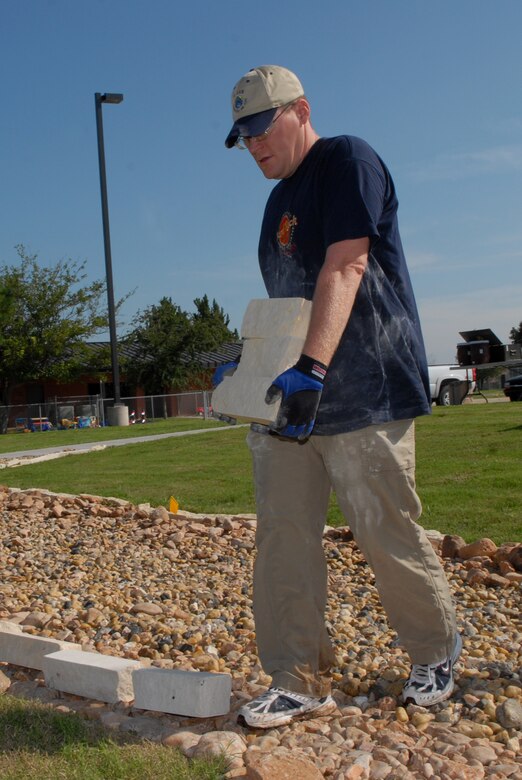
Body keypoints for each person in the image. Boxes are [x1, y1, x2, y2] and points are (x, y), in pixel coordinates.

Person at [222, 65, 461, 729]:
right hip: (291, 403)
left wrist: (313, 371)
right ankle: (296, 677)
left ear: (299, 109)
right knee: (283, 537)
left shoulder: (348, 160)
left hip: (364, 390)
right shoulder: (276, 205)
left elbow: (347, 265)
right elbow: (286, 306)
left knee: (386, 528)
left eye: (261, 128)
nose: (253, 146)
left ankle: (435, 651)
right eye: (242, 137)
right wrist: (251, 368)